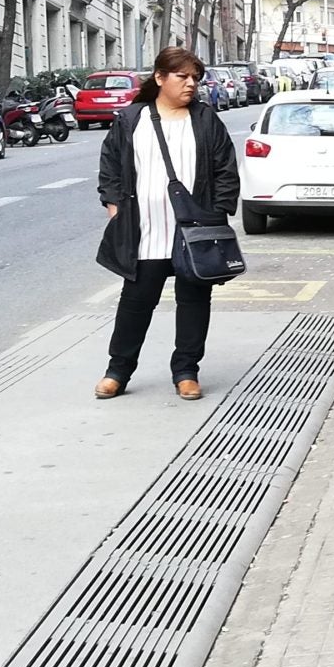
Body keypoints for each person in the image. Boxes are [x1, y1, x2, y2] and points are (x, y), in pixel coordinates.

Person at [96, 45, 239, 402]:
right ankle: (118, 370)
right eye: (182, 76)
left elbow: (226, 170)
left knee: (194, 299)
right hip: (145, 232)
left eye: (195, 78)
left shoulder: (205, 119)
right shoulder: (132, 119)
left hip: (193, 232)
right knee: (136, 301)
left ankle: (186, 371)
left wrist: (215, 215)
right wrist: (115, 207)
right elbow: (110, 165)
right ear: (160, 78)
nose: (191, 84)